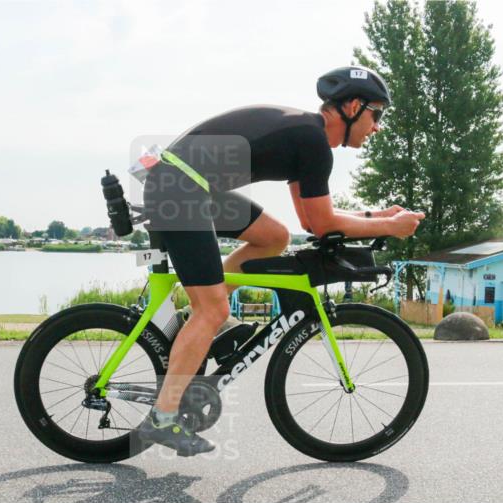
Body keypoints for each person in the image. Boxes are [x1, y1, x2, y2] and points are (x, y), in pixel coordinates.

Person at [133, 66, 425, 457]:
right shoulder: (313, 142)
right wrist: (389, 226)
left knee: (275, 237)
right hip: (181, 187)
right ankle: (162, 418)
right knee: (213, 310)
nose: (378, 127)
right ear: (354, 107)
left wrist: (376, 218)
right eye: (378, 115)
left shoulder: (307, 139)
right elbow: (323, 224)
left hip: (185, 183)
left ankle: (197, 322)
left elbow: (310, 220)